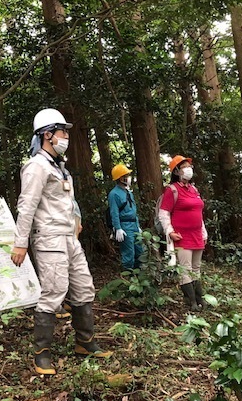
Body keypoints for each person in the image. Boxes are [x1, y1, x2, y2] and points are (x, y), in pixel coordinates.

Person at [11, 108, 110, 376]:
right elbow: (27, 206)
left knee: (83, 287)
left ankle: (85, 342)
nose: (66, 135)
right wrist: (20, 243)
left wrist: (77, 221)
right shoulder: (35, 166)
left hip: (69, 237)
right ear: (47, 135)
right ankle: (42, 354)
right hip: (49, 238)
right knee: (53, 293)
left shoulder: (60, 168)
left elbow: (68, 202)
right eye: (62, 131)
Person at [158, 155, 207, 311]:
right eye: (184, 166)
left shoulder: (194, 189)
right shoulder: (171, 190)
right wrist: (170, 231)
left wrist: (203, 231)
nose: (188, 169)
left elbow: (199, 213)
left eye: (189, 166)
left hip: (197, 234)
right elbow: (163, 213)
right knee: (185, 268)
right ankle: (191, 302)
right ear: (177, 171)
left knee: (196, 268)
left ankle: (200, 299)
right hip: (181, 236)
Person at [108, 164, 143, 270]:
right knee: (129, 253)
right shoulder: (114, 194)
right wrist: (118, 228)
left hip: (134, 225)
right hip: (125, 226)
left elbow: (133, 210)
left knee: (140, 251)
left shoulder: (128, 192)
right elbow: (114, 212)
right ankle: (128, 279)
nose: (128, 177)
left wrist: (138, 226)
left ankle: (139, 277)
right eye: (126, 175)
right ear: (120, 178)